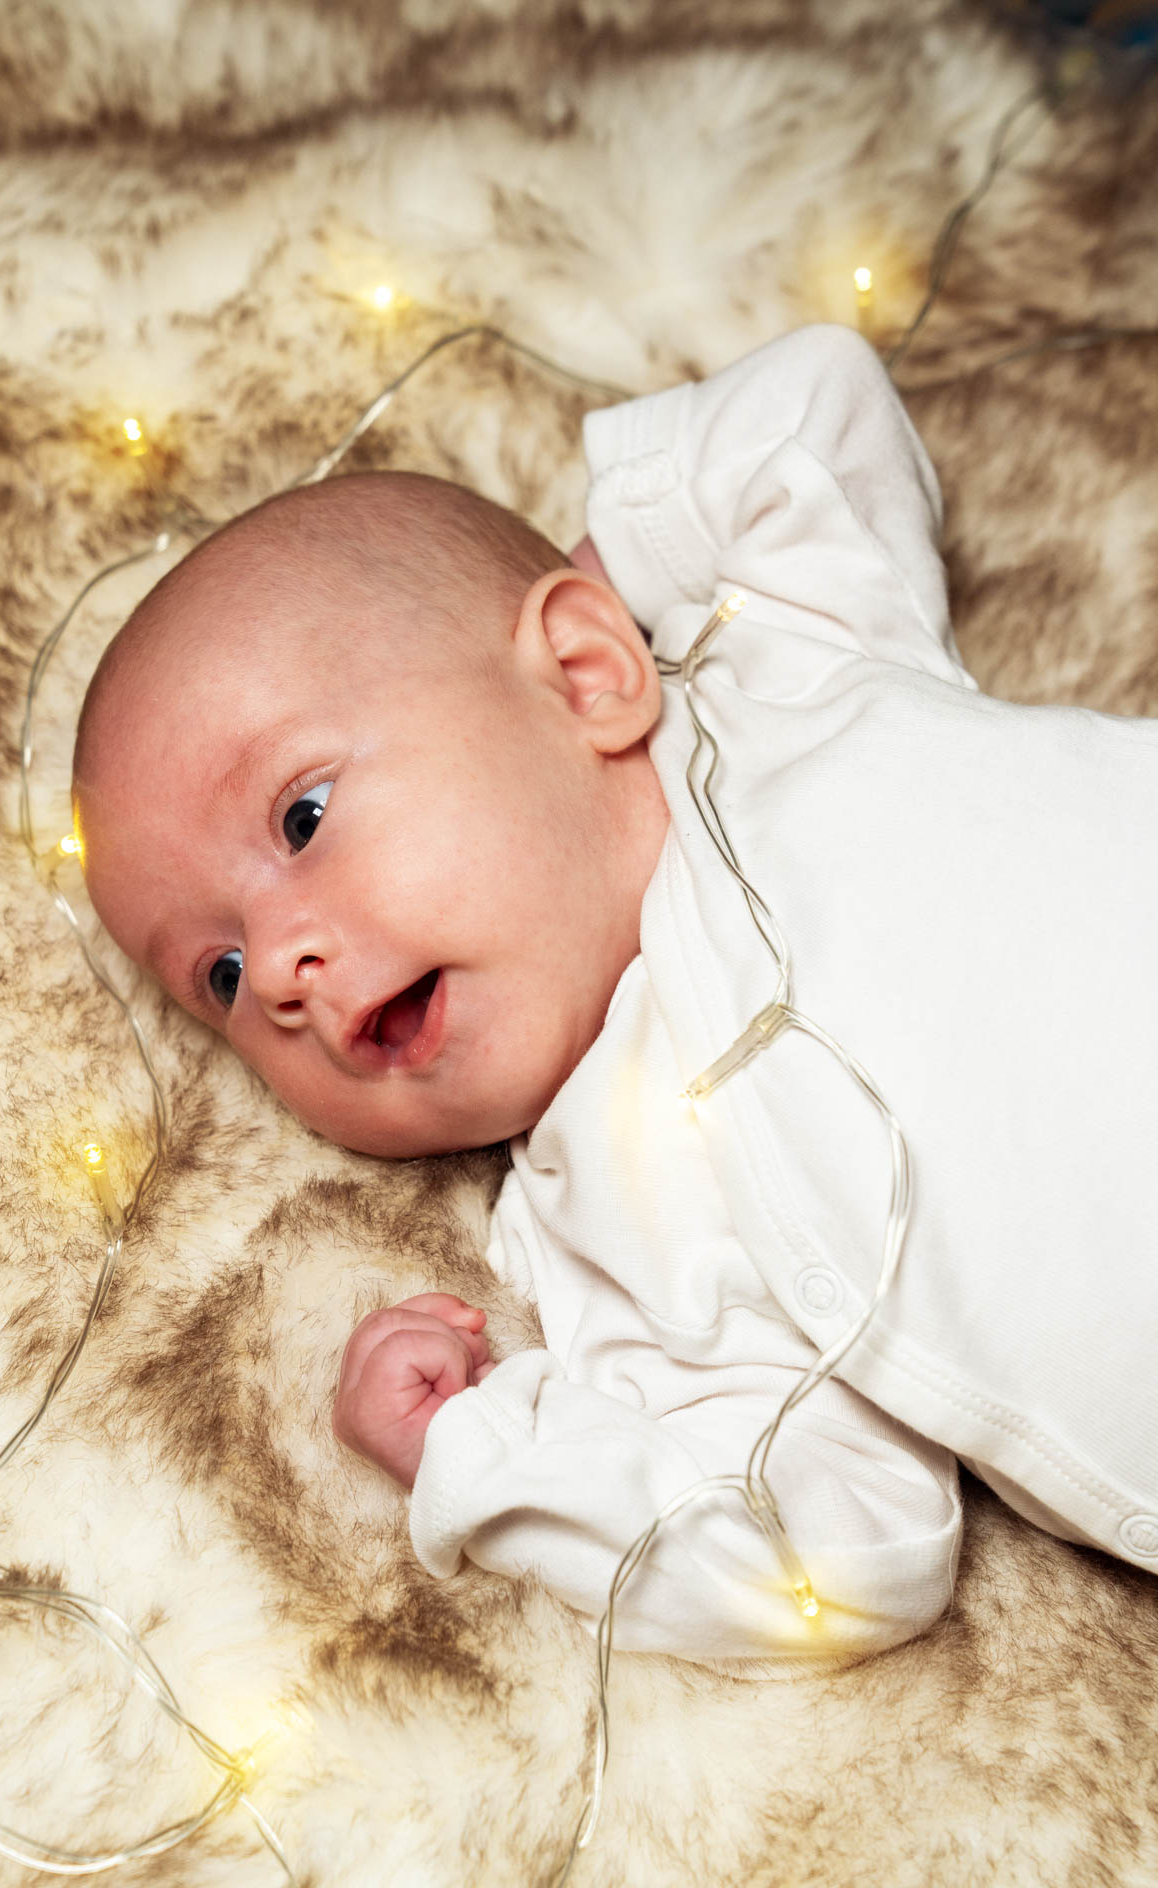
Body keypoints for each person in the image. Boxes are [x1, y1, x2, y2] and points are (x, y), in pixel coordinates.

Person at [74, 325, 1158, 1665]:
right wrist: (498, 1452)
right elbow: (832, 1552)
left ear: (586, 674)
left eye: (302, 816)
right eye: (221, 975)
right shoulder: (609, 1231)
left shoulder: (786, 668)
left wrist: (622, 574)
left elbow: (809, 412)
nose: (283, 970)